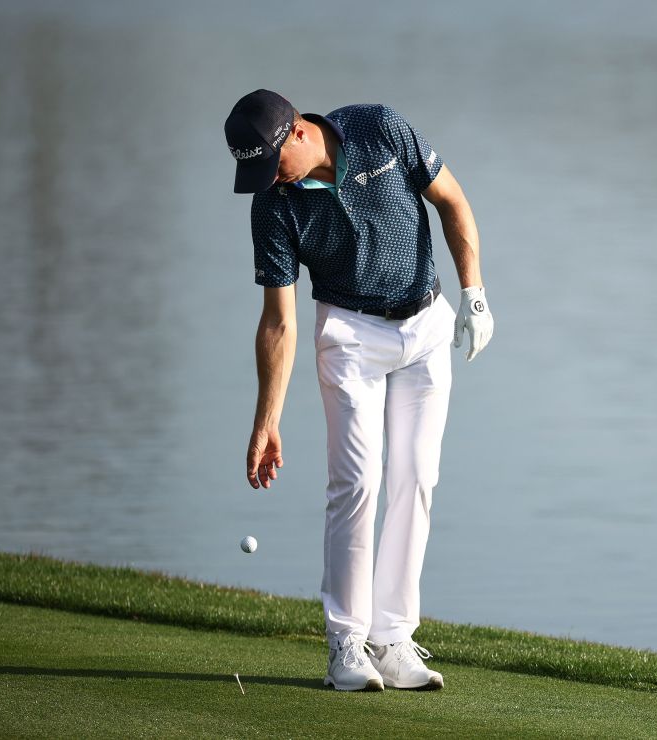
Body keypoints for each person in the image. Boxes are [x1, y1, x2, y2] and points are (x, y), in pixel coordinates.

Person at [223, 89, 493, 692]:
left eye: (271, 164)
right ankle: (347, 642)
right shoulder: (274, 204)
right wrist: (266, 420)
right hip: (349, 337)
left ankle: (394, 638)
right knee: (357, 481)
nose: (269, 180)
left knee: (417, 478)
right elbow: (279, 321)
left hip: (424, 327)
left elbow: (451, 200)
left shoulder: (380, 129)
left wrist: (473, 294)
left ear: (296, 134)